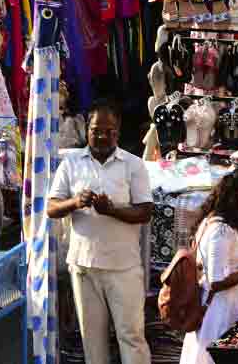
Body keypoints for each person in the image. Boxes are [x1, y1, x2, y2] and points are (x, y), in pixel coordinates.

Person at [47, 101, 152, 364]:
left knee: (131, 337)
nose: (102, 136)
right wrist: (74, 202)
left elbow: (145, 212)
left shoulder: (133, 165)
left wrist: (112, 210)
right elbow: (51, 208)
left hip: (123, 268)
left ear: (118, 132)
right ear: (87, 130)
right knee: (92, 340)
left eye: (109, 131)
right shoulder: (71, 163)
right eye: (96, 130)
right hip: (83, 267)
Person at [179, 166, 238, 364]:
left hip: (222, 308)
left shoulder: (216, 223)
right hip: (220, 312)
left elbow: (223, 262)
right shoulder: (220, 230)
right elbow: (217, 281)